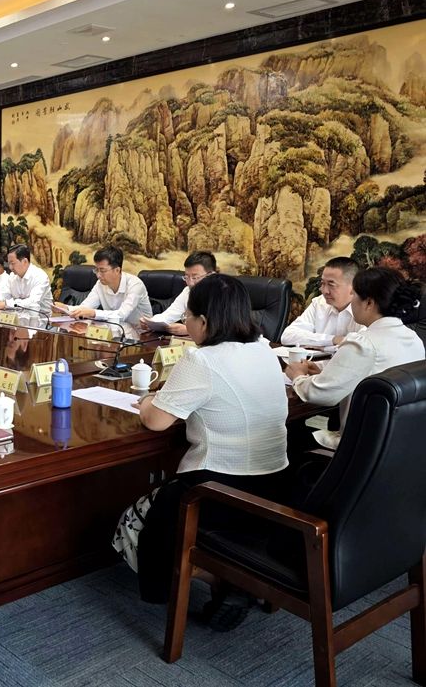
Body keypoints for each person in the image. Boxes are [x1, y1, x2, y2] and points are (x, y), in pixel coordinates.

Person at [115, 274, 289, 627]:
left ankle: (224, 579)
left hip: (215, 493)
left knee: (131, 522)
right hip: (274, 485)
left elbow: (156, 421)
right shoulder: (265, 350)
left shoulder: (202, 360)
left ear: (204, 322)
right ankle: (235, 577)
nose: (187, 323)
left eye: (188, 317)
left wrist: (147, 399)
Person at [285, 266, 425, 449]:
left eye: (354, 296)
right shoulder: (413, 338)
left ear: (369, 303)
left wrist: (297, 375)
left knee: (285, 435)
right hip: (399, 443)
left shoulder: (363, 344)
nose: (352, 302)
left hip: (360, 447)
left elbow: (319, 394)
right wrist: (323, 373)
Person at [280, 257, 364, 348]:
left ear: (353, 287)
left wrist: (320, 345)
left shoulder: (367, 309)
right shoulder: (319, 303)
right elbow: (287, 336)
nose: (324, 291)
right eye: (323, 283)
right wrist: (333, 340)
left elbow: (361, 345)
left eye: (331, 285)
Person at [55, 246, 150, 323]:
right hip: (115, 332)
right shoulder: (100, 284)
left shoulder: (135, 285)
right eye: (96, 270)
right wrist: (66, 308)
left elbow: (121, 315)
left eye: (102, 270)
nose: (98, 275)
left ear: (117, 270)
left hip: (142, 335)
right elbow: (86, 307)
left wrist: (94, 313)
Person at [139, 251, 217, 336]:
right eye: (186, 277)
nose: (190, 283)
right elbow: (169, 315)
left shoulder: (223, 295)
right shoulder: (187, 291)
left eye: (195, 277)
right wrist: (150, 323)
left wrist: (189, 330)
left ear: (211, 275)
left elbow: (224, 329)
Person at [0, 244, 52, 314]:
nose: (10, 267)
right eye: (9, 264)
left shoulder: (40, 276)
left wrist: (6, 304)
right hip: (17, 317)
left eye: (13, 263)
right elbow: (4, 295)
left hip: (41, 318)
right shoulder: (12, 277)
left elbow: (33, 303)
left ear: (25, 261)